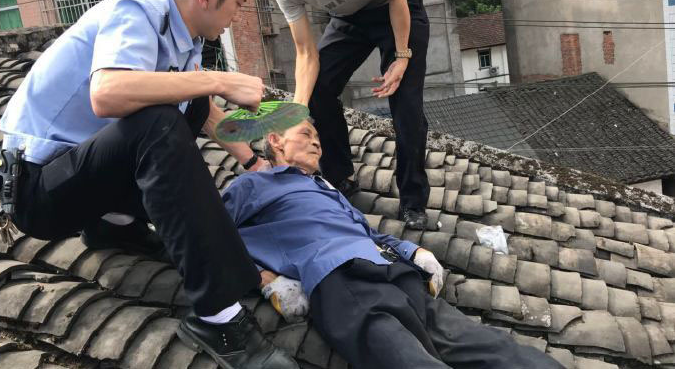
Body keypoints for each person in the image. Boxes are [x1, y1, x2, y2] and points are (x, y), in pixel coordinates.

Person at [0, 0, 298, 369]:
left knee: (187, 106)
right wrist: (219, 79)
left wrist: (254, 162)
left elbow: (206, 113)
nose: (236, 18)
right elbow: (107, 94)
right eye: (237, 4)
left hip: (86, 179)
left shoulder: (187, 39)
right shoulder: (136, 13)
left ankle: (113, 226)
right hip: (40, 191)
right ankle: (218, 317)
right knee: (159, 122)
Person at [222, 120, 564, 369]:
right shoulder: (255, 185)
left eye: (318, 138)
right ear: (276, 141)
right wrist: (264, 278)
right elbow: (211, 239)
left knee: (494, 348)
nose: (316, 143)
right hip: (342, 280)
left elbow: (368, 234)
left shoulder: (327, 191)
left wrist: (413, 251)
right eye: (306, 134)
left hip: (394, 274)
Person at [246, 0, 431, 230]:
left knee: (406, 104)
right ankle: (340, 177)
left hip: (397, 2)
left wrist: (402, 58)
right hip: (348, 17)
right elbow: (306, 53)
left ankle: (413, 200)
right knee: (317, 90)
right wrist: (297, 112)